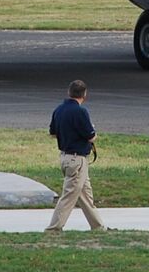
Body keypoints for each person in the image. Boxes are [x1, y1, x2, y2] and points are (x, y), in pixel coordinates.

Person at [45, 79, 106, 232]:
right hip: (77, 159)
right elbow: (91, 136)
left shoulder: (58, 110)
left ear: (69, 92)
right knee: (69, 194)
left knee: (85, 194)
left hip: (65, 156)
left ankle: (98, 227)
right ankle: (54, 228)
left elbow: (52, 133)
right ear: (84, 94)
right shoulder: (81, 111)